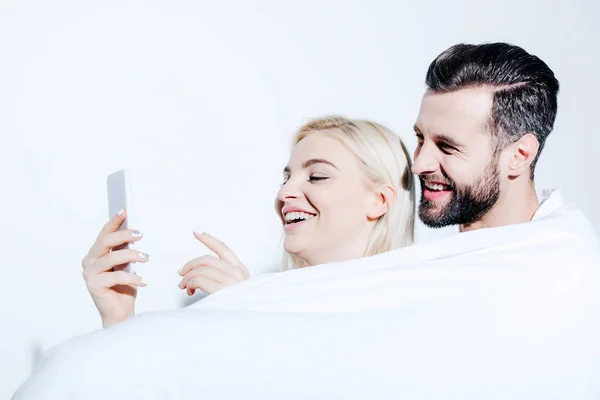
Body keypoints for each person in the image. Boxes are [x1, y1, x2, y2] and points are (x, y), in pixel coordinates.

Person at [81, 116, 416, 328]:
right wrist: (119, 319)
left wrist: (248, 313)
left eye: (316, 176)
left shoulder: (406, 311)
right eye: (286, 178)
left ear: (380, 201)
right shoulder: (267, 303)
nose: (286, 193)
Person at [411, 42, 560, 231]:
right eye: (420, 139)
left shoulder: (562, 259)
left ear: (520, 155)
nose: (418, 165)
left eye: (447, 147)